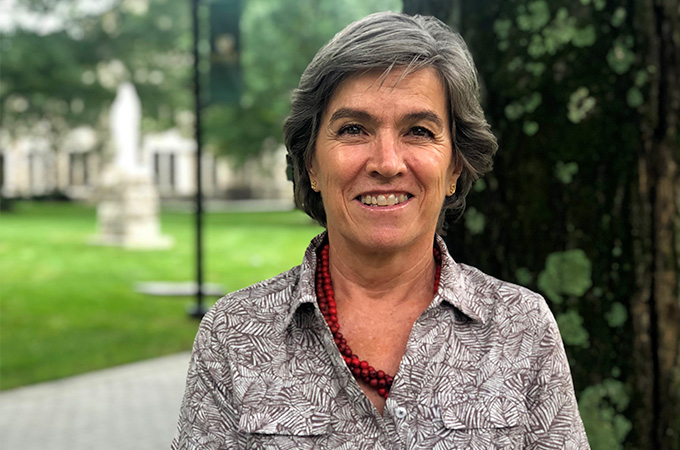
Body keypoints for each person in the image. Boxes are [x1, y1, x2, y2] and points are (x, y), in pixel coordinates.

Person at [172, 11, 590, 450]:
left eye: (419, 131)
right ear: (311, 164)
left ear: (455, 167)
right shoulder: (234, 333)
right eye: (354, 129)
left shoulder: (521, 328)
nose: (387, 162)